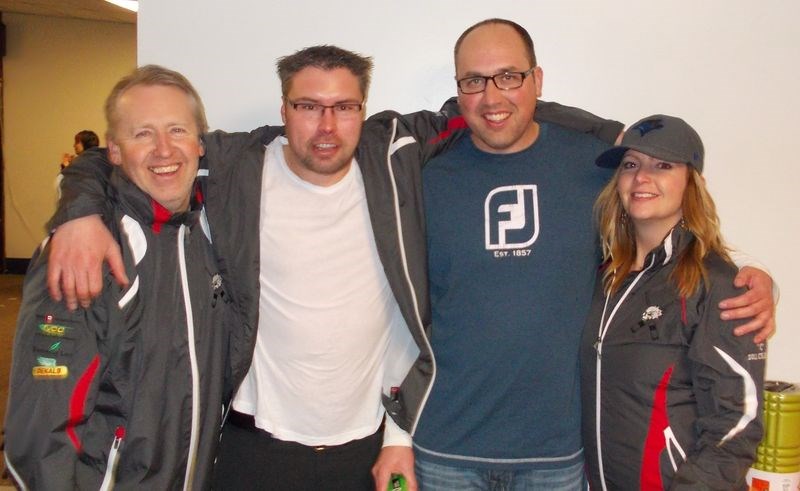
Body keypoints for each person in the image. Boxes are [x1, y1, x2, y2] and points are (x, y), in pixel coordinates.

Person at [40, 46, 623, 490]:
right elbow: (127, 152)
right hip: (250, 446)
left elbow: (492, 105)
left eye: (343, 107)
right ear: (284, 110)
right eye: (308, 106)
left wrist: (619, 139)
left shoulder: (393, 153)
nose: (326, 126)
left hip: (365, 452)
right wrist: (80, 212)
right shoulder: (235, 166)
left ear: (363, 111)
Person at [411, 19, 773, 490]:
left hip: (558, 459)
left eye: (509, 76)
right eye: (473, 81)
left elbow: (668, 227)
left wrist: (756, 277)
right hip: (445, 452)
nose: (492, 96)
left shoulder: (593, 163)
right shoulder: (425, 173)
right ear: (458, 89)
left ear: (537, 80)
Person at [4, 65, 235, 489]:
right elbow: (40, 432)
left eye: (177, 131)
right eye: (142, 134)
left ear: (201, 143)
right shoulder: (86, 252)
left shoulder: (207, 232)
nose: (163, 150)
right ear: (113, 150)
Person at [581, 115, 765, 490]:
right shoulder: (603, 275)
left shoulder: (716, 284)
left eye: (662, 165)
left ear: (692, 183)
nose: (642, 177)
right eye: (631, 164)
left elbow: (736, 423)